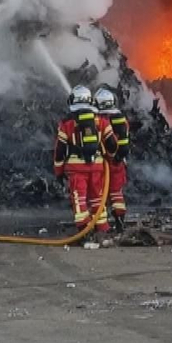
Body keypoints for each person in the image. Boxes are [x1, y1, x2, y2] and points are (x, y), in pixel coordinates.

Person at [53, 85, 112, 243]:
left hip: (75, 169)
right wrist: (109, 157)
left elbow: (59, 150)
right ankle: (102, 230)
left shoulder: (66, 124)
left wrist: (58, 171)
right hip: (98, 167)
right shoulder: (101, 121)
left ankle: (84, 232)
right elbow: (112, 145)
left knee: (79, 199)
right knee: (98, 198)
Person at [94, 86, 131, 232]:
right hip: (117, 162)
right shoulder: (121, 120)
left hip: (102, 162)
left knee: (98, 193)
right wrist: (118, 158)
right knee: (116, 193)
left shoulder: (98, 120)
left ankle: (101, 226)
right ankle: (119, 221)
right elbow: (124, 144)